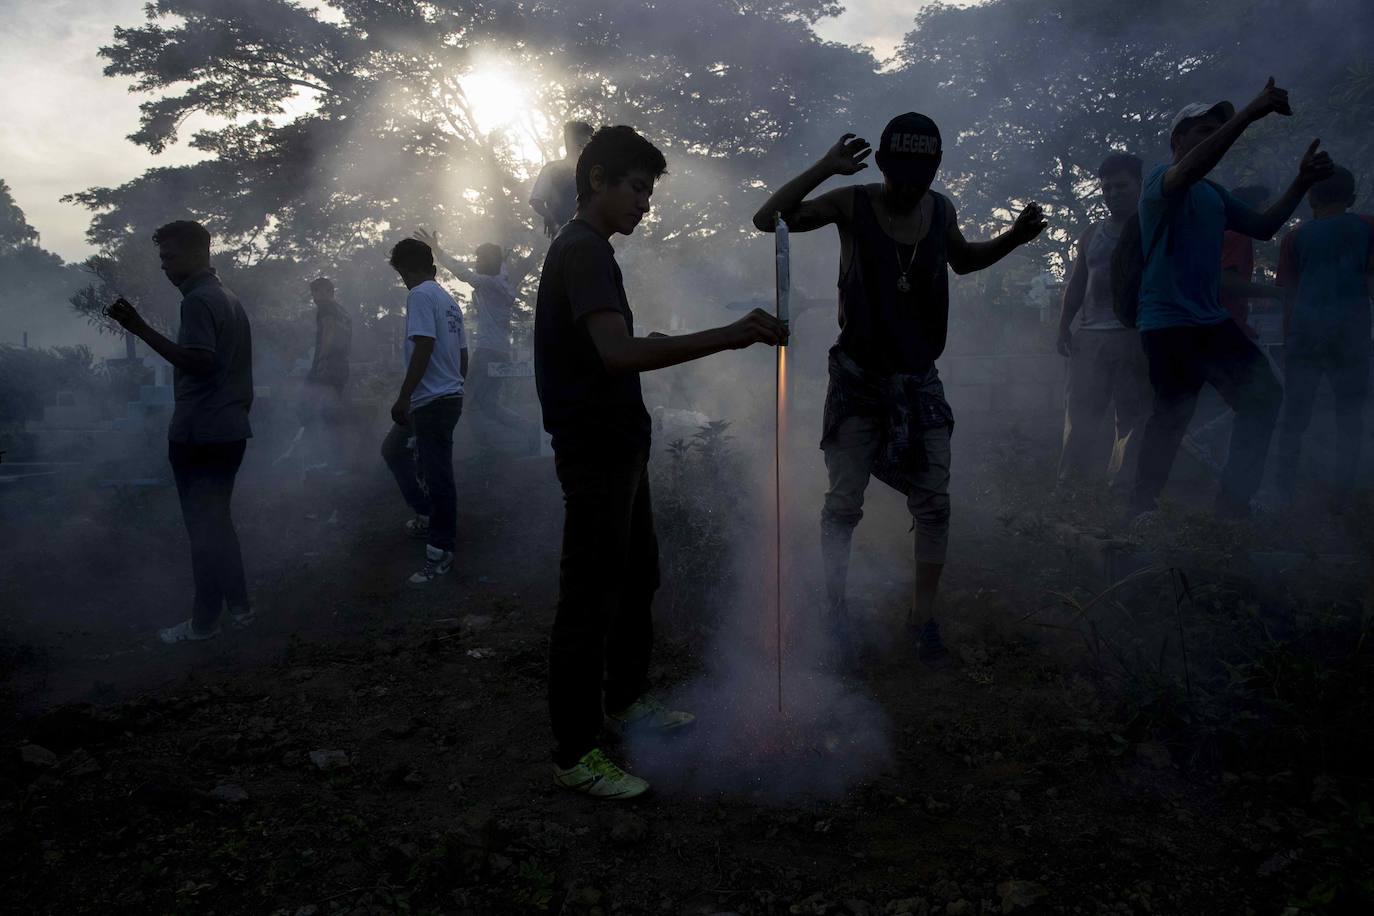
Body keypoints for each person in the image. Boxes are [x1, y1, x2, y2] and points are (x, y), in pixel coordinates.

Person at [536, 125, 787, 798]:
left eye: (650, 192)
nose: (646, 203)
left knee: (637, 576)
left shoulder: (593, 252)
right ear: (598, 181)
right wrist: (730, 336)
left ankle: (625, 700)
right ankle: (575, 751)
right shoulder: (582, 251)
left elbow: (612, 349)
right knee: (588, 598)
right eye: (638, 188)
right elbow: (617, 354)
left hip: (620, 444)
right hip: (593, 450)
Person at [751, 113, 1047, 665]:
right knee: (843, 504)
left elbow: (962, 260)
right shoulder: (852, 203)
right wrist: (824, 167)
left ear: (934, 171)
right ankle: (834, 610)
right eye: (901, 173)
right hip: (859, 379)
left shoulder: (942, 209)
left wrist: (1015, 237)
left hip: (918, 380)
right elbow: (769, 220)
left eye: (923, 174)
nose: (911, 186)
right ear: (883, 166)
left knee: (934, 501)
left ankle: (923, 619)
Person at [1127, 78, 1334, 520]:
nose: (1212, 136)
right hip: (1168, 324)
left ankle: (1230, 509)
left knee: (1262, 400)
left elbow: (1262, 227)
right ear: (1178, 139)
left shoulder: (1214, 194)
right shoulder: (1160, 181)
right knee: (1170, 417)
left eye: (1215, 128)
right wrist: (1247, 114)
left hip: (1209, 321)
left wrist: (1299, 182)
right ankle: (1141, 510)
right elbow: (1188, 170)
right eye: (1203, 130)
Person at [106, 220, 255, 644]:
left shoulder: (199, 302)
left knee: (204, 532)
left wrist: (139, 328)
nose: (165, 268)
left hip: (200, 433)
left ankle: (204, 623)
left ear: (196, 255)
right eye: (163, 259)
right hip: (228, 429)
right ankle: (241, 609)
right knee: (218, 524)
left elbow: (200, 362)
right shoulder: (228, 297)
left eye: (170, 258)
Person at [1274, 166, 1374, 503]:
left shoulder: (1295, 237)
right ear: (1352, 198)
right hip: (1352, 334)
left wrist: (1289, 342)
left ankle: (1283, 489)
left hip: (1305, 334)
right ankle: (1344, 491)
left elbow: (1288, 296)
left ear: (1310, 198)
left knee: (1294, 416)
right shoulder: (1368, 227)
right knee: (1350, 414)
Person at [1054, 153, 1152, 489]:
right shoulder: (1091, 233)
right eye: (1107, 188)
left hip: (1134, 336)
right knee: (1080, 416)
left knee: (1130, 418)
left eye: (1121, 186)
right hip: (1090, 337)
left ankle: (1120, 489)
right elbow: (1078, 282)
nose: (1113, 193)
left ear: (1139, 185)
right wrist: (1064, 323)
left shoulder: (1151, 228)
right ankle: (1070, 486)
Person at [379, 239, 468, 585]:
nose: (403, 281)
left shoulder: (419, 295)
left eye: (401, 273)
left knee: (437, 474)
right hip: (442, 397)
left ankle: (441, 550)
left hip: (431, 401)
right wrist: (458, 386)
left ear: (407, 269)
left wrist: (404, 395)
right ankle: (428, 514)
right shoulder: (449, 301)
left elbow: (424, 345)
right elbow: (462, 353)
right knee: (394, 450)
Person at [412, 230, 537, 451]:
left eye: (480, 258)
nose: (476, 262)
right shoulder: (502, 283)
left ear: (489, 261)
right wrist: (502, 262)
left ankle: (485, 448)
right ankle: (527, 429)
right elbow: (500, 271)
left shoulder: (488, 284)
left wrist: (438, 250)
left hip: (487, 350)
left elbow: (463, 273)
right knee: (487, 403)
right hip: (500, 350)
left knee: (468, 402)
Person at [1219, 185, 1283, 339]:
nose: (1269, 211)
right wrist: (1278, 293)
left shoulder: (1221, 232)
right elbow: (1227, 283)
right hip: (1228, 325)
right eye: (1266, 205)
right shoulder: (1238, 234)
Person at [302, 277, 352, 472]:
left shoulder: (326, 308)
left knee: (316, 412)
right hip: (341, 367)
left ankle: (328, 460)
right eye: (313, 292)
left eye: (318, 292)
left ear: (328, 291)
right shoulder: (344, 311)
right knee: (333, 413)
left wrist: (321, 361)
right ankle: (336, 461)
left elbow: (328, 332)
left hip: (328, 368)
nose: (315, 297)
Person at [530, 120, 594, 237]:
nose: (579, 145)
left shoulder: (593, 172)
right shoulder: (552, 169)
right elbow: (536, 201)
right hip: (561, 234)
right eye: (575, 139)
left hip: (589, 234)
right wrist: (549, 216)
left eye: (583, 141)